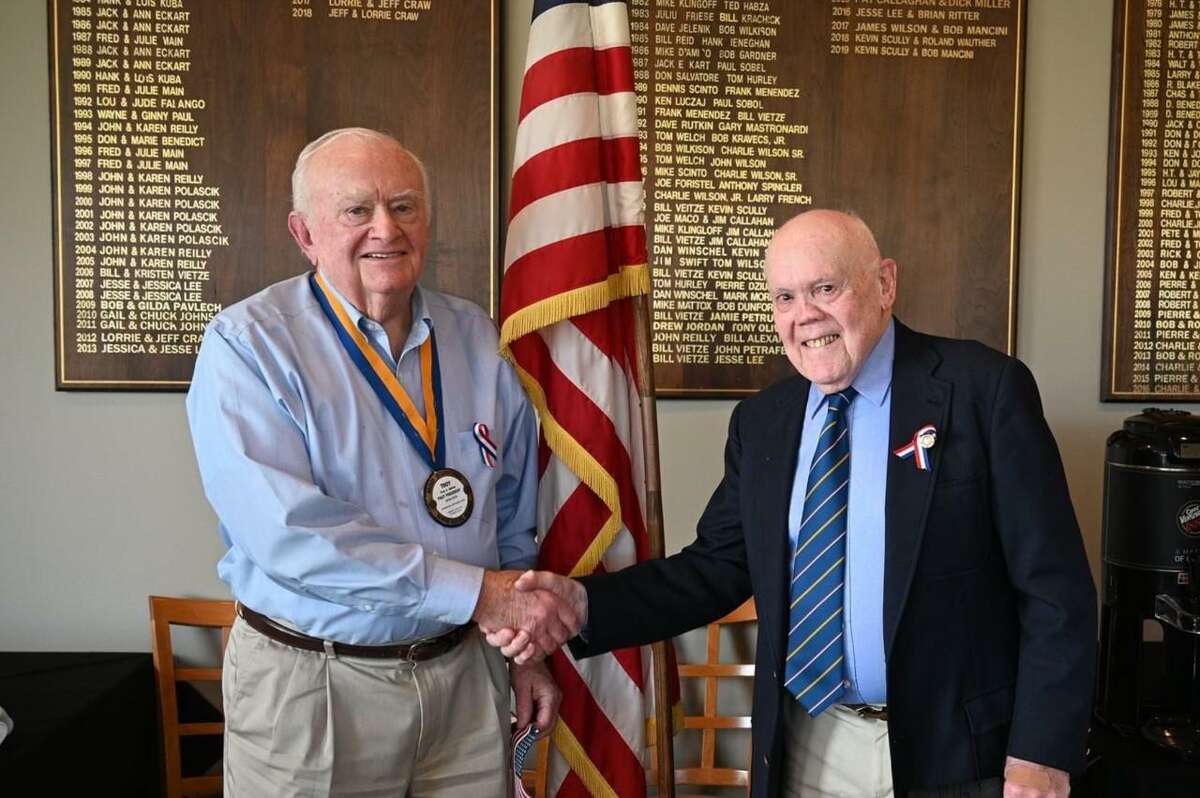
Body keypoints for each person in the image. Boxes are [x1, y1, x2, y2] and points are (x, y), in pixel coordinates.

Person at [488, 210, 1097, 798]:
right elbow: (716, 568)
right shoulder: (763, 422)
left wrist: (1041, 752)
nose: (805, 316)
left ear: (884, 283)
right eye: (784, 298)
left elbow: (1055, 590)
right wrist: (585, 603)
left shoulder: (982, 390)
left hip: (958, 757)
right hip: (807, 749)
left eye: (825, 288)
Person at [186, 127, 577, 797]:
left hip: (464, 679)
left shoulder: (480, 340)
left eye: (403, 206)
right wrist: (484, 596)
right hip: (315, 688)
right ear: (304, 232)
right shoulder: (247, 347)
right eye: (355, 210)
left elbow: (512, 514)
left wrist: (526, 654)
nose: (384, 229)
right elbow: (293, 535)